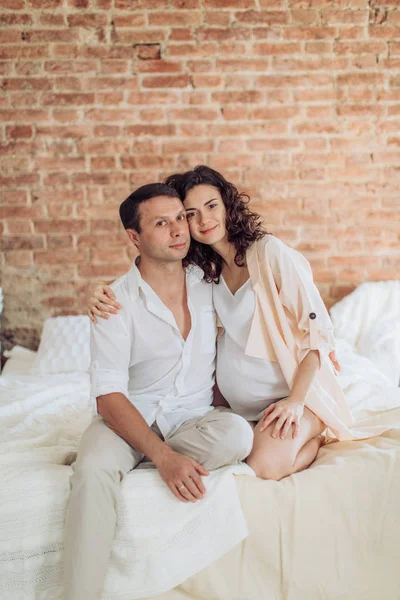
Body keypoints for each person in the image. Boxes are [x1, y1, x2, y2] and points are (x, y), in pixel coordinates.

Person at [88, 166, 355, 484]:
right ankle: (148, 450)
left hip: (290, 399)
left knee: (264, 468)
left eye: (212, 206)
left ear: (229, 205)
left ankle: (316, 434)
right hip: (239, 411)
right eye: (191, 213)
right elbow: (150, 271)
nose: (203, 221)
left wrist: (295, 402)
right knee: (242, 448)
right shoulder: (206, 272)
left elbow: (318, 333)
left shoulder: (269, 254)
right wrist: (97, 293)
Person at [64, 182, 254, 600]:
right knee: (94, 471)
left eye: (181, 218)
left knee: (239, 434)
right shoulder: (115, 301)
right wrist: (164, 457)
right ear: (134, 237)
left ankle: (137, 462)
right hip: (125, 420)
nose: (179, 230)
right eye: (161, 223)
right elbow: (108, 395)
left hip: (193, 419)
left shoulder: (211, 280)